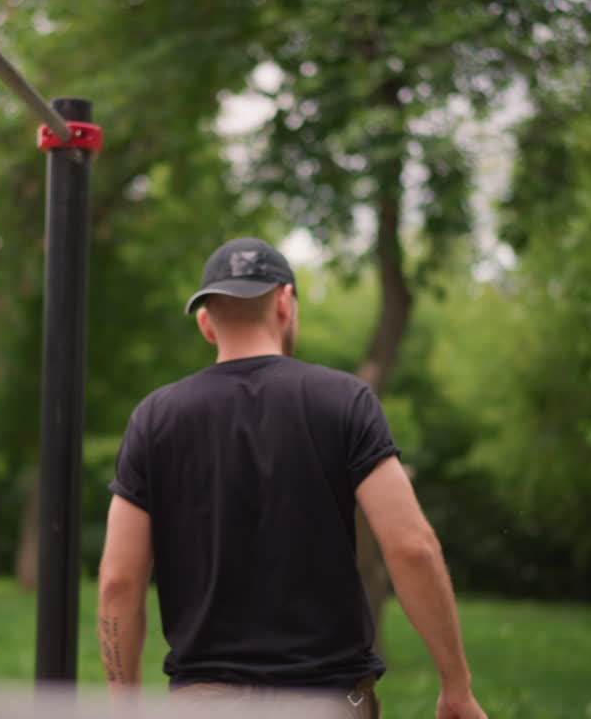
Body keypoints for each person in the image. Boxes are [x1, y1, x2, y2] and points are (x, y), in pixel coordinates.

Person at [96, 237, 486, 719]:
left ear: (205, 323)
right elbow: (411, 547)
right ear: (284, 302)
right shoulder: (345, 401)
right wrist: (456, 686)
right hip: (328, 701)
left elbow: (118, 581)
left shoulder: (154, 419)